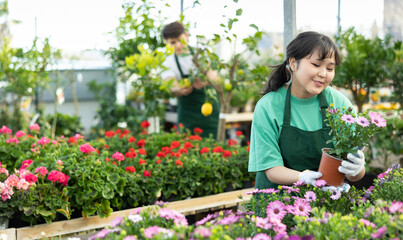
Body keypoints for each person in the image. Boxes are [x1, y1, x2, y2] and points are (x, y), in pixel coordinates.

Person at [248, 31, 366, 190]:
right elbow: (271, 169)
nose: (323, 74)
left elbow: (353, 174)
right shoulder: (268, 106)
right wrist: (302, 177)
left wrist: (357, 168)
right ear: (293, 63)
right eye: (316, 65)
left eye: (330, 68)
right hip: (276, 204)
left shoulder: (339, 104)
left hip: (325, 202)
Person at [161, 22, 219, 139]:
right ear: (167, 43)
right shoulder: (168, 63)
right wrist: (179, 90)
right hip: (187, 114)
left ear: (186, 36)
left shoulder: (202, 54)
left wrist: (205, 80)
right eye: (172, 42)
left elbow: (214, 77)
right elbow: (172, 85)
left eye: (179, 40)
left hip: (210, 112)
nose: (177, 45)